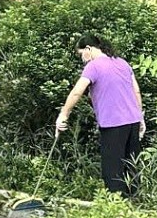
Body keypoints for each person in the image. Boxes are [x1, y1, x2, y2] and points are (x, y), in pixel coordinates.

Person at [55, 34, 146, 196]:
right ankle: (135, 204)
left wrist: (63, 114)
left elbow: (77, 92)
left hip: (113, 124)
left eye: (81, 53)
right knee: (131, 166)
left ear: (88, 49)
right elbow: (136, 90)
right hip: (133, 121)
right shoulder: (122, 63)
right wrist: (141, 118)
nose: (82, 58)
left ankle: (117, 209)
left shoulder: (93, 66)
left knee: (113, 170)